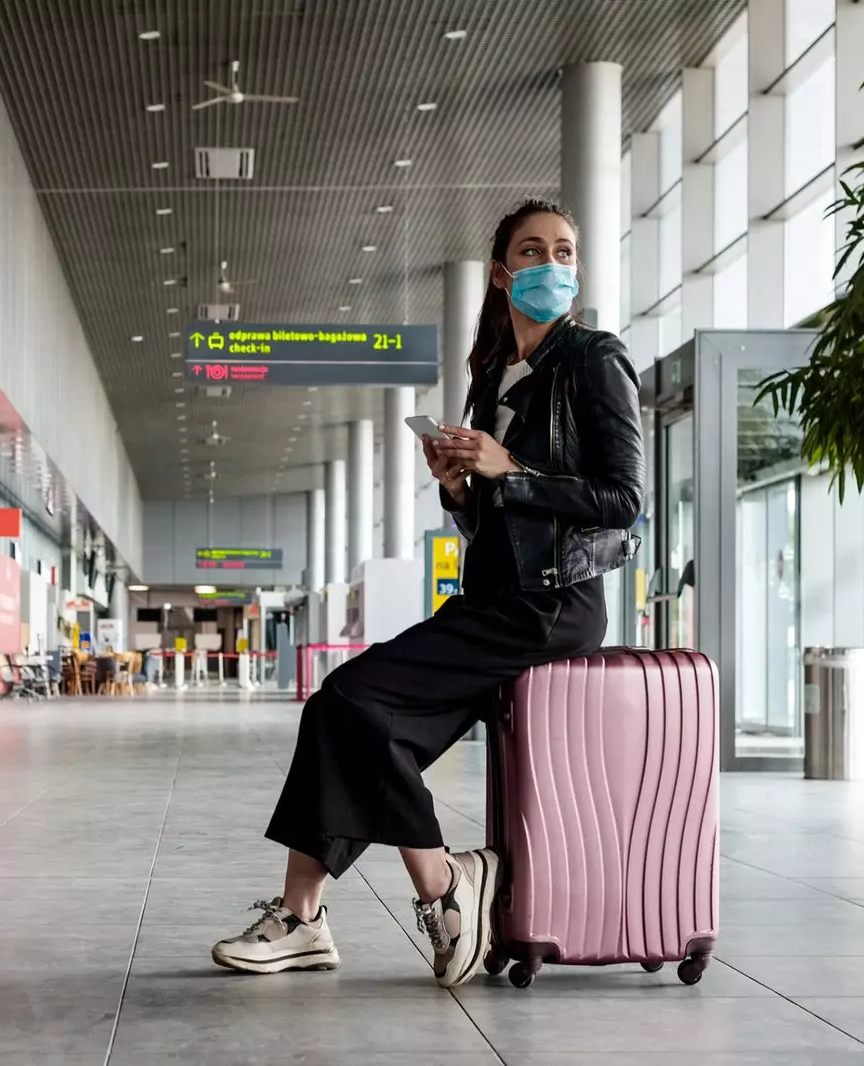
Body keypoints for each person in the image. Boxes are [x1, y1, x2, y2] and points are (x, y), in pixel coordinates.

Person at [211, 199, 645, 987]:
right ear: (502, 272)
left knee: (348, 701)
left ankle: (447, 887)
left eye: (565, 251)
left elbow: (624, 500)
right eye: (534, 251)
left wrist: (509, 469)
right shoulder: (494, 375)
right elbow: (490, 528)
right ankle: (303, 918)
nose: (552, 265)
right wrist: (457, 490)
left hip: (552, 606)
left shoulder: (592, 358)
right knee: (346, 716)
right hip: (495, 600)